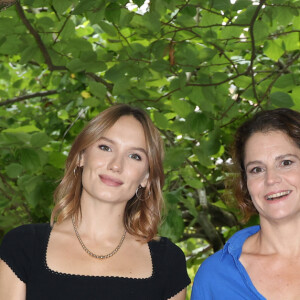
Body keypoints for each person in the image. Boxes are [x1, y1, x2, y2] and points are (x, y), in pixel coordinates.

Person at [0, 104, 190, 300]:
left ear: (146, 178)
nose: (116, 165)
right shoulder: (24, 246)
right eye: (105, 147)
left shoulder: (168, 262)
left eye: (135, 156)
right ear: (82, 156)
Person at [191, 108, 300, 299]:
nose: (271, 179)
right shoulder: (215, 278)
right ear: (245, 183)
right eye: (257, 169)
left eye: (286, 162)